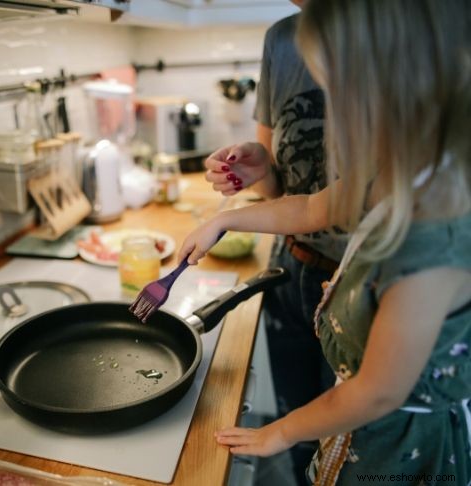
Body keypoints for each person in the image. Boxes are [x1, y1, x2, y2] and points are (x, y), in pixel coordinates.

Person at [181, 0, 471, 483]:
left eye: (339, 90)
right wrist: (225, 220)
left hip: (399, 452)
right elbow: (313, 207)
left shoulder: (432, 240)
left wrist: (282, 432)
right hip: (357, 431)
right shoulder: (400, 171)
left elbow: (379, 391)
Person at [205, 1, 340, 481]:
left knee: (349, 447)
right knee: (300, 433)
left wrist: (229, 222)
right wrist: (256, 168)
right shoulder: (282, 39)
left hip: (366, 284)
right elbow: (287, 192)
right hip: (293, 267)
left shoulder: (411, 30)